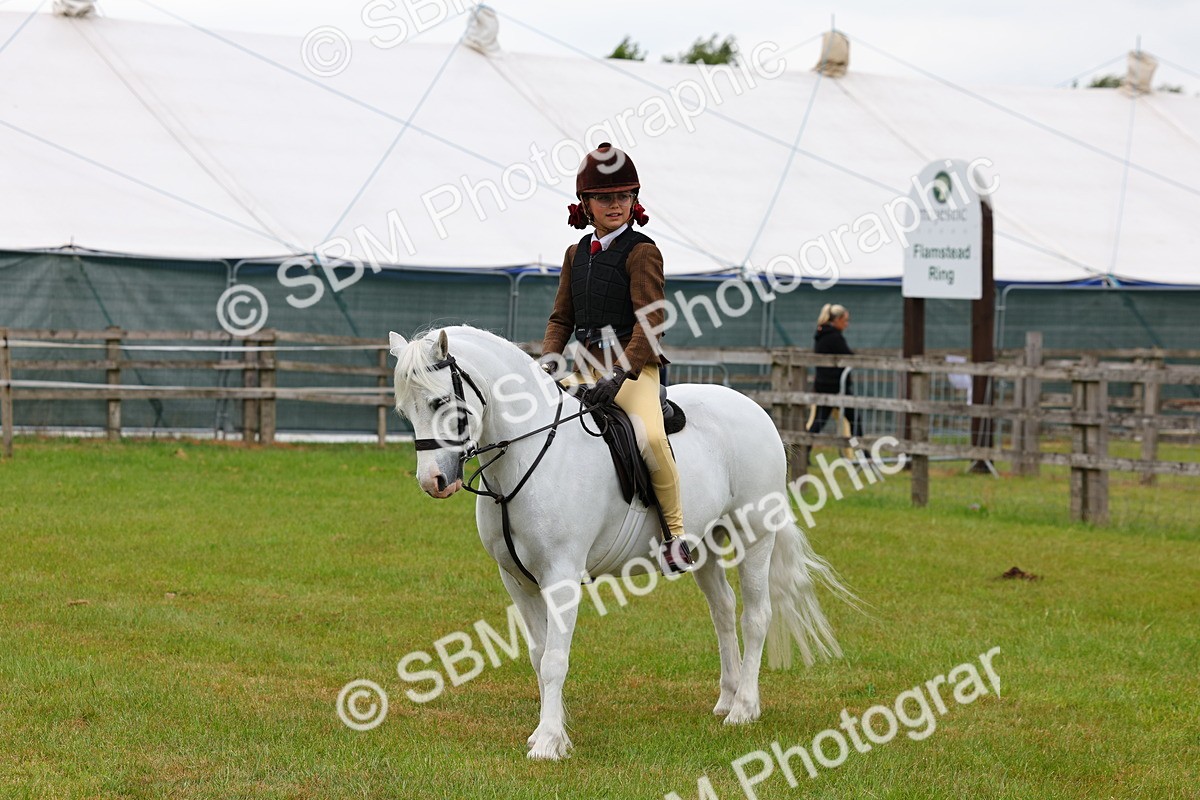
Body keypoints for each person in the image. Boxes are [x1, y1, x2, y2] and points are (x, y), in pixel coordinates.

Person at [540, 142, 693, 574]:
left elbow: (651, 321)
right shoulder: (575, 255)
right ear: (585, 203)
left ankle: (675, 536)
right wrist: (548, 363)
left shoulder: (643, 251)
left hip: (633, 371)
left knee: (651, 440)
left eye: (624, 196)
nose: (616, 204)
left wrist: (621, 374)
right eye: (605, 197)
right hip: (584, 369)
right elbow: (561, 318)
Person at [806, 303, 863, 440]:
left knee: (819, 421)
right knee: (854, 420)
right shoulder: (834, 337)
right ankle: (861, 449)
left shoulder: (821, 335)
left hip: (823, 384)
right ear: (837, 320)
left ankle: (803, 448)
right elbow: (848, 356)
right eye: (845, 320)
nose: (847, 324)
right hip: (836, 386)